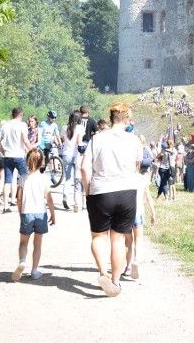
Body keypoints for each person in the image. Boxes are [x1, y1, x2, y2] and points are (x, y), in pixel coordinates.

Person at [81, 102, 142, 297]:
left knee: (98, 236)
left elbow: (84, 167)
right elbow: (137, 167)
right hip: (126, 191)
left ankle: (102, 273)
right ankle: (115, 281)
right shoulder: (134, 141)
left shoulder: (97, 139)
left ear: (111, 117)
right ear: (126, 118)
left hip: (101, 191)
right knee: (118, 239)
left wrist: (87, 190)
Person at [12, 148, 56, 282]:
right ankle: (35, 270)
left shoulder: (23, 178)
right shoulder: (44, 178)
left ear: (27, 161)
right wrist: (53, 214)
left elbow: (19, 198)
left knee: (23, 242)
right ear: (42, 162)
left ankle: (22, 261)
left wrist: (20, 212)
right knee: (38, 243)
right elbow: (49, 198)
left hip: (27, 213)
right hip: (41, 214)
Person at [124, 160, 156, 280]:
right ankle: (136, 260)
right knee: (138, 238)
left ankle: (127, 267)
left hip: (126, 213)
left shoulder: (125, 178)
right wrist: (153, 213)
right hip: (138, 212)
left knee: (127, 242)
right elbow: (148, 198)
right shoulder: (142, 179)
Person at [0, 108, 32, 214]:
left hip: (7, 156)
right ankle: (27, 204)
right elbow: (25, 140)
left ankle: (6, 206)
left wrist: (3, 151)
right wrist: (32, 151)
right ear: (21, 115)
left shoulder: (5, 125)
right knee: (26, 179)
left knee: (7, 181)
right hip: (19, 155)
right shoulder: (22, 125)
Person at [60, 110, 84, 211]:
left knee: (68, 178)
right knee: (78, 179)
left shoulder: (64, 128)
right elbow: (79, 142)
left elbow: (63, 140)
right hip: (77, 155)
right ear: (79, 119)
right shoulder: (80, 128)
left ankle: (65, 197)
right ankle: (76, 203)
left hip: (66, 154)